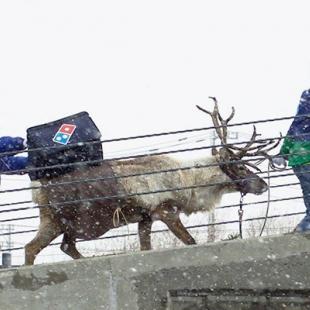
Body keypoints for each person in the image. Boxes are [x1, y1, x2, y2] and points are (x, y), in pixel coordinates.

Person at [274, 89, 310, 232]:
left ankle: (301, 232)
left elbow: (292, 132)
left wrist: (283, 154)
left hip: (299, 159)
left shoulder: (300, 118)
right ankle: (301, 233)